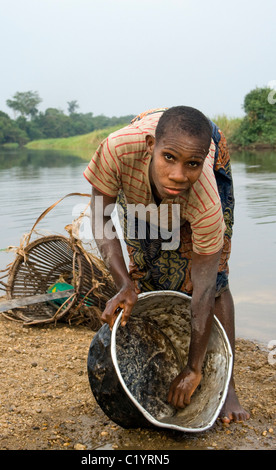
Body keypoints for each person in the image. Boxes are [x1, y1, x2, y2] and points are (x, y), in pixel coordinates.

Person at [83, 106, 250, 423]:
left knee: (216, 280)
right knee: (146, 274)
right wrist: (123, 284)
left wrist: (193, 369)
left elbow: (204, 289)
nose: (178, 175)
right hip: (137, 180)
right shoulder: (117, 151)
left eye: (192, 164)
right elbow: (101, 221)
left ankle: (227, 386)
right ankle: (154, 364)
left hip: (209, 151)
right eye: (169, 158)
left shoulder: (205, 202)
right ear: (150, 147)